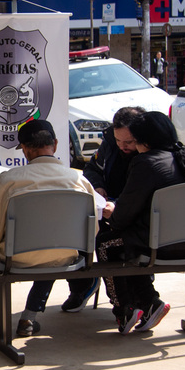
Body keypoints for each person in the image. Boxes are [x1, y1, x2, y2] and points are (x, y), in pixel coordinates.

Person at [0, 120, 97, 338]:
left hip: (16, 258)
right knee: (53, 244)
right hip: (64, 256)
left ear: (25, 149)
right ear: (55, 144)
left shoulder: (9, 180)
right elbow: (91, 233)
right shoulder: (80, 180)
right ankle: (29, 316)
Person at [96, 111, 185, 335]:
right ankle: (149, 302)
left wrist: (110, 211)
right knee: (129, 241)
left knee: (106, 243)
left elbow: (121, 218)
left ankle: (125, 310)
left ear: (144, 141)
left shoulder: (146, 163)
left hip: (165, 245)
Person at [57, 106, 146, 313]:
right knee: (77, 226)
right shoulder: (109, 144)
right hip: (106, 206)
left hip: (134, 216)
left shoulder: (150, 155)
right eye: (118, 140)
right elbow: (92, 168)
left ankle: (135, 298)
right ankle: (82, 285)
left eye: (129, 142)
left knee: (107, 241)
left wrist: (120, 206)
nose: (122, 146)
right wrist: (98, 186)